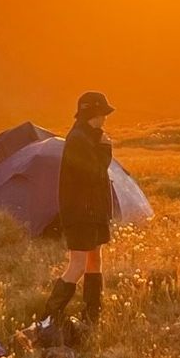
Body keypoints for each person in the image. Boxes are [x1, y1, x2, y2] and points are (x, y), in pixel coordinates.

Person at [38, 91, 117, 328]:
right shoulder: (79, 139)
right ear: (93, 113)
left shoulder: (89, 136)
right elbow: (93, 174)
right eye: (103, 113)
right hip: (81, 213)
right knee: (78, 264)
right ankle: (50, 316)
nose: (105, 118)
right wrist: (105, 150)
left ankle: (92, 315)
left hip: (93, 212)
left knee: (95, 261)